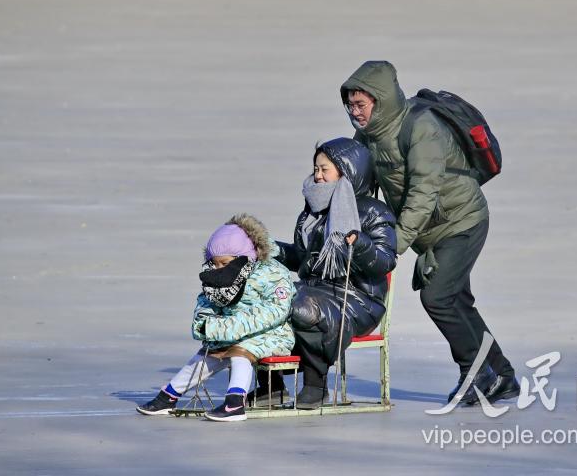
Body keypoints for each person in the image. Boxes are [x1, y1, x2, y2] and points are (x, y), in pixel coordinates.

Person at [339, 60, 519, 405]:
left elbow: (424, 193)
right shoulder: (368, 135)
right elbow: (357, 183)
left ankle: (476, 372)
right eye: (350, 105)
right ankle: (503, 376)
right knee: (457, 302)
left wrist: (393, 246)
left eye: (361, 104)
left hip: (462, 220)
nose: (354, 112)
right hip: (431, 230)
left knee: (438, 297)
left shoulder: (421, 127)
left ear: (380, 99)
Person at [253, 137, 397, 409]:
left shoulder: (374, 212)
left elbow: (385, 261)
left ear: (347, 171)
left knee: (304, 308)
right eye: (315, 169)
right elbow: (304, 258)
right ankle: (270, 387)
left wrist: (361, 244)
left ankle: (315, 385)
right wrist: (269, 250)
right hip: (314, 290)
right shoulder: (313, 210)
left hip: (357, 299)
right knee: (266, 300)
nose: (317, 176)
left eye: (325, 169)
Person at [136, 214, 295, 422]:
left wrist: (230, 328)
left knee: (241, 352)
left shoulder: (272, 273)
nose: (220, 268)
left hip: (272, 334)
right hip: (233, 332)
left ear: (243, 256)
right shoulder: (217, 274)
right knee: (210, 352)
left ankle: (235, 403)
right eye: (215, 263)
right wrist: (206, 324)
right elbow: (205, 303)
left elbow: (276, 309)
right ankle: (169, 395)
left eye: (225, 263)